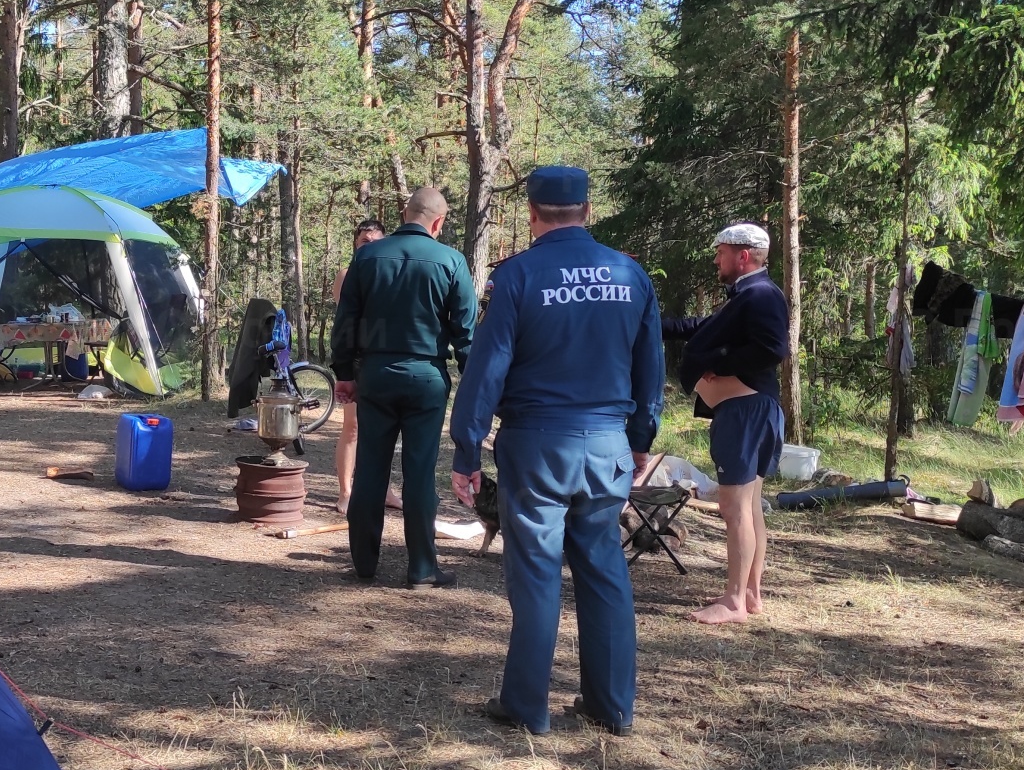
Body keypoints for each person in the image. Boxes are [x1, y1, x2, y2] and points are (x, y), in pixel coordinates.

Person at [450, 167, 664, 736]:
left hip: (538, 446)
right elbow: (652, 370)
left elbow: (485, 370)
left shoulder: (518, 276)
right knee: (606, 571)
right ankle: (612, 706)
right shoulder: (631, 275)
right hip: (607, 446)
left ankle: (527, 706)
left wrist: (466, 450)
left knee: (538, 574)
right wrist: (641, 439)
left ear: (533, 214)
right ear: (587, 210)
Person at [330, 188, 476, 587]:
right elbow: (465, 333)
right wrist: (475, 383)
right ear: (439, 222)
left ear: (404, 213)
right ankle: (422, 568)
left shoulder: (367, 256)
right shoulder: (452, 261)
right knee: (420, 472)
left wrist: (344, 372)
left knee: (371, 469)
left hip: (376, 374)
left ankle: (363, 563)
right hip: (427, 378)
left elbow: (346, 320)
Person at [663, 222, 790, 625]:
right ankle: (750, 593)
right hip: (751, 410)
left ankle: (734, 601)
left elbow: (773, 348)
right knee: (749, 507)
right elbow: (704, 328)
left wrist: (718, 365)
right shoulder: (748, 295)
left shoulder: (761, 294)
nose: (717, 259)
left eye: (721, 252)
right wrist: (654, 324)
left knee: (733, 508)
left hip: (745, 412)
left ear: (743, 256)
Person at [331, 219, 402, 514]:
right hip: (358, 360)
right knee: (354, 426)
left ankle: (384, 489)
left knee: (386, 429)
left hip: (387, 359)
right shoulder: (347, 275)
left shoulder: (394, 273)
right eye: (364, 242)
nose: (370, 247)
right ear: (355, 245)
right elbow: (348, 320)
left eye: (376, 242)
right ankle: (346, 492)